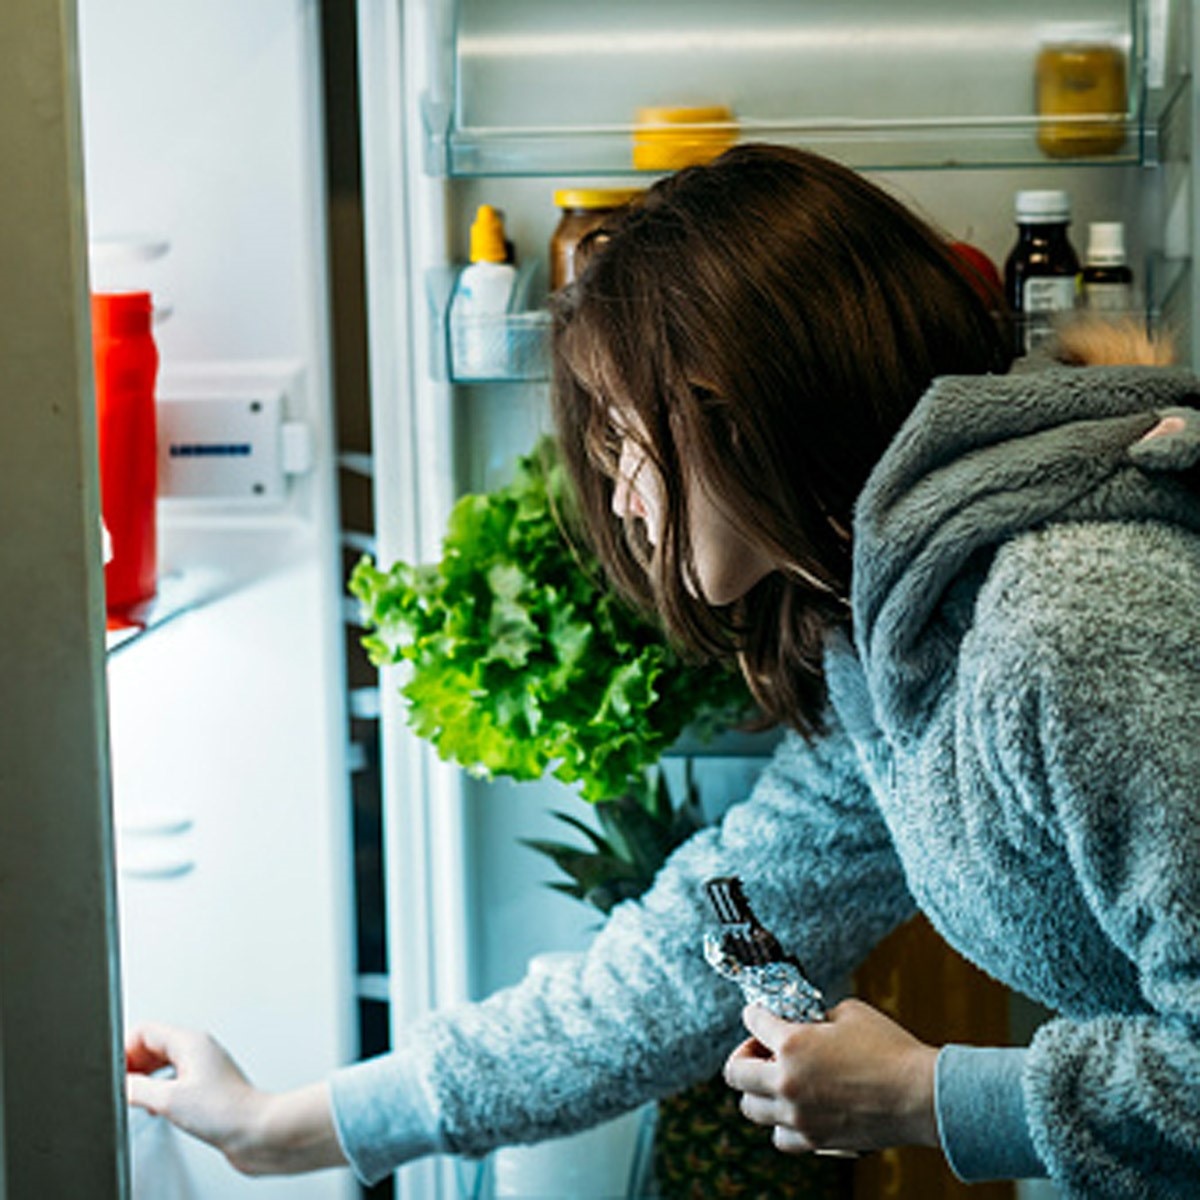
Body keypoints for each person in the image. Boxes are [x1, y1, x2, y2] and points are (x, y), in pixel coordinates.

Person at [126, 143, 1200, 1199]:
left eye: (624, 435)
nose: (625, 495)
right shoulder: (894, 634)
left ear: (737, 403)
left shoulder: (1071, 614)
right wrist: (296, 1124)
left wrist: (930, 1096)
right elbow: (686, 957)